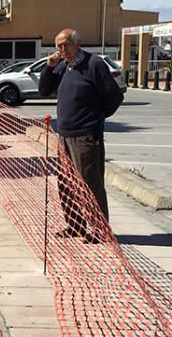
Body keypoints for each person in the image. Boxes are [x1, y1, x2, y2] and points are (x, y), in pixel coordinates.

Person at [38, 29, 123, 240]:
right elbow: (44, 90)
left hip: (86, 135)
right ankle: (75, 225)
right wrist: (49, 67)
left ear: (77, 43)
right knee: (66, 183)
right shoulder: (63, 66)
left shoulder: (93, 64)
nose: (62, 50)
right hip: (64, 135)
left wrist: (97, 117)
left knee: (89, 183)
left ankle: (100, 230)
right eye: (58, 46)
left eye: (66, 44)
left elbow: (114, 95)